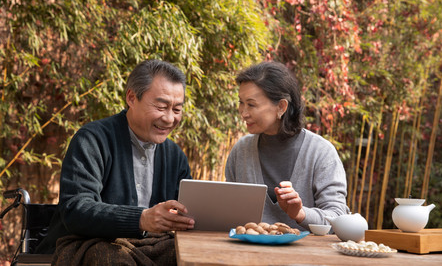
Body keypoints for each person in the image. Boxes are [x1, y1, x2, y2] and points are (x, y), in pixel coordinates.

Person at [37, 59, 195, 265]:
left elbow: (185, 213)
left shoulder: (176, 156)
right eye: (161, 106)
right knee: (112, 258)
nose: (169, 119)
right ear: (131, 97)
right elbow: (76, 210)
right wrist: (142, 218)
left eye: (176, 110)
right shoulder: (92, 140)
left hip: (151, 245)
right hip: (90, 244)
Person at [225, 61, 349, 231]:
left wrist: (300, 213)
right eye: (241, 103)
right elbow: (229, 212)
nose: (243, 113)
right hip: (247, 255)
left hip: (305, 257)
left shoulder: (320, 153)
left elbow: (338, 218)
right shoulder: (241, 151)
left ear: (281, 107)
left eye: (251, 104)